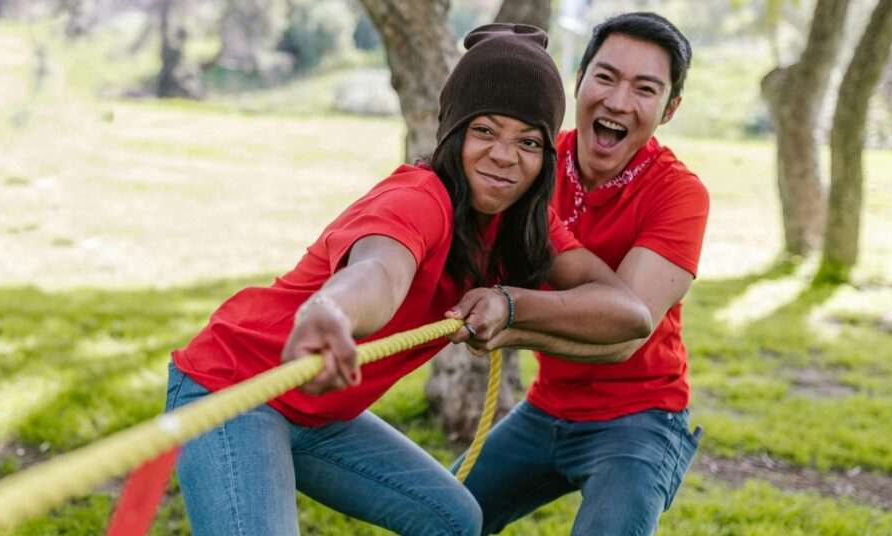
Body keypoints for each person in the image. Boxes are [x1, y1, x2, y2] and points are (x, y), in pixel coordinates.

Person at [165, 24, 652, 536]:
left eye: (528, 140)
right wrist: (331, 313)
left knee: (455, 518)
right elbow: (379, 272)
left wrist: (510, 305)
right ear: (453, 133)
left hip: (320, 411)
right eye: (485, 130)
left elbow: (629, 314)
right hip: (236, 388)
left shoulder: (523, 226)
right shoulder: (419, 199)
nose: (505, 156)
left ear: (546, 157)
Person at [453, 12, 711, 536]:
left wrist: (507, 314)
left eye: (645, 88)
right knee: (436, 516)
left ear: (670, 109)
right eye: (606, 76)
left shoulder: (679, 194)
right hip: (545, 407)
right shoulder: (534, 159)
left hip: (640, 417)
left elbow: (623, 335)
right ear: (579, 81)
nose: (617, 101)